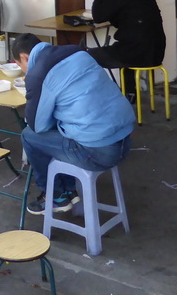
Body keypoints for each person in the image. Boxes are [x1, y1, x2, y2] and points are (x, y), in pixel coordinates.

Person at [12, 33, 135, 214]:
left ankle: (55, 196)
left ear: (24, 57)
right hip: (125, 141)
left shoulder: (38, 73)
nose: (24, 70)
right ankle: (68, 189)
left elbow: (37, 125)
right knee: (63, 126)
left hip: (99, 153)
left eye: (20, 66)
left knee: (29, 137)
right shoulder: (77, 52)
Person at [89, 0, 165, 69]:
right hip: (157, 53)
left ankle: (108, 85)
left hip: (135, 54)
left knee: (88, 55)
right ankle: (129, 85)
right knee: (124, 49)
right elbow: (128, 16)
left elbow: (98, 17)